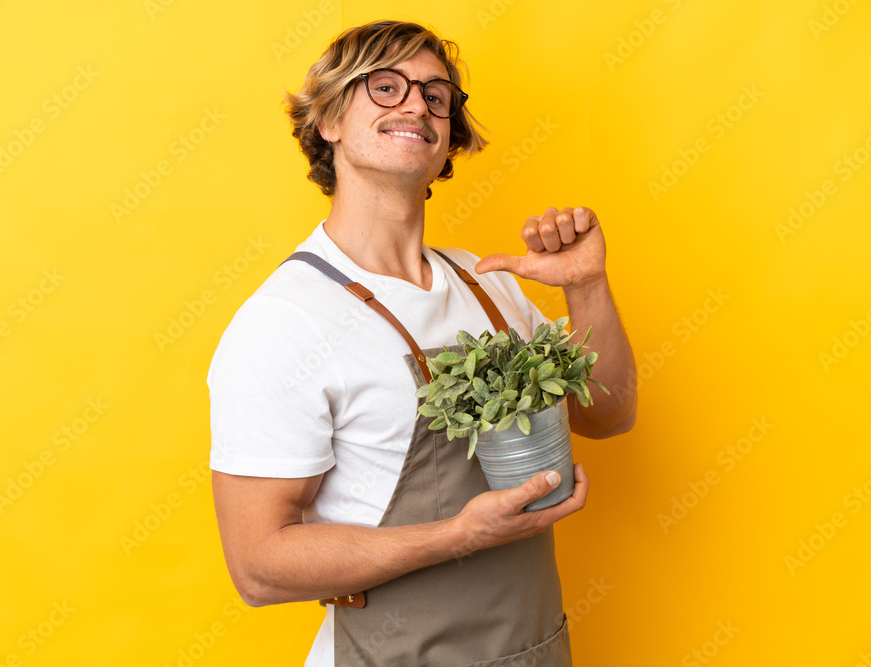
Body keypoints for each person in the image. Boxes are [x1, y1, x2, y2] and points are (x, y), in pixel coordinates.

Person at [208, 19, 638, 666]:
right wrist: (459, 535)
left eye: (437, 96)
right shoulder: (285, 320)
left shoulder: (488, 285)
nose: (416, 104)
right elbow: (258, 565)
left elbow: (609, 413)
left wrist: (587, 287)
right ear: (328, 119)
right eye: (385, 86)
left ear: (448, 141)